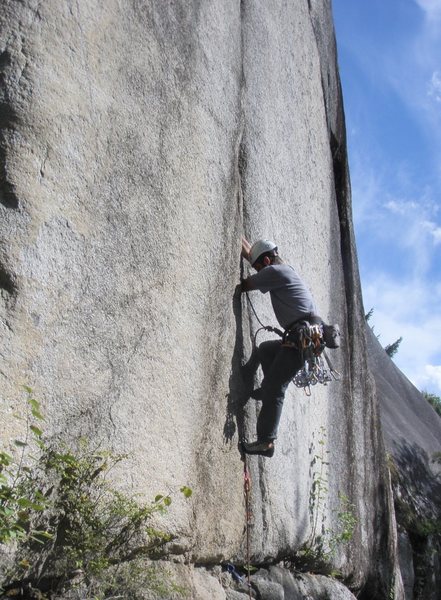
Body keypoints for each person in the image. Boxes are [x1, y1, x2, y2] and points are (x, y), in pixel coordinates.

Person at [240, 238, 318, 457]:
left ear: (266, 260)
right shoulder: (284, 270)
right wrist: (243, 242)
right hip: (300, 337)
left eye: (257, 267)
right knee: (265, 350)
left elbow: (247, 285)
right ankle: (265, 390)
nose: (257, 271)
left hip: (300, 339)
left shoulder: (275, 272)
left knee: (276, 389)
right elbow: (255, 258)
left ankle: (266, 443)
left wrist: (250, 267)